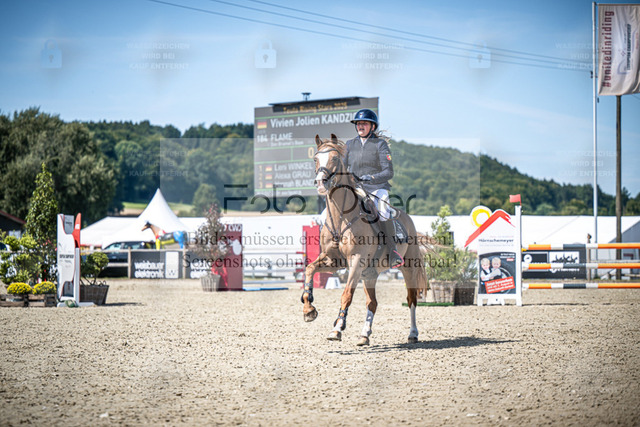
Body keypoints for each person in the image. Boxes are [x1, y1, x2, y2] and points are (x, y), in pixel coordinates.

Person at [345, 108, 403, 268]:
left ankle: (392, 251)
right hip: (356, 188)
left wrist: (371, 177)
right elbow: (342, 167)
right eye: (358, 123)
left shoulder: (380, 145)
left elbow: (388, 172)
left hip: (376, 187)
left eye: (364, 123)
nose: (360, 126)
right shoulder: (350, 144)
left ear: (372, 126)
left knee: (383, 211)